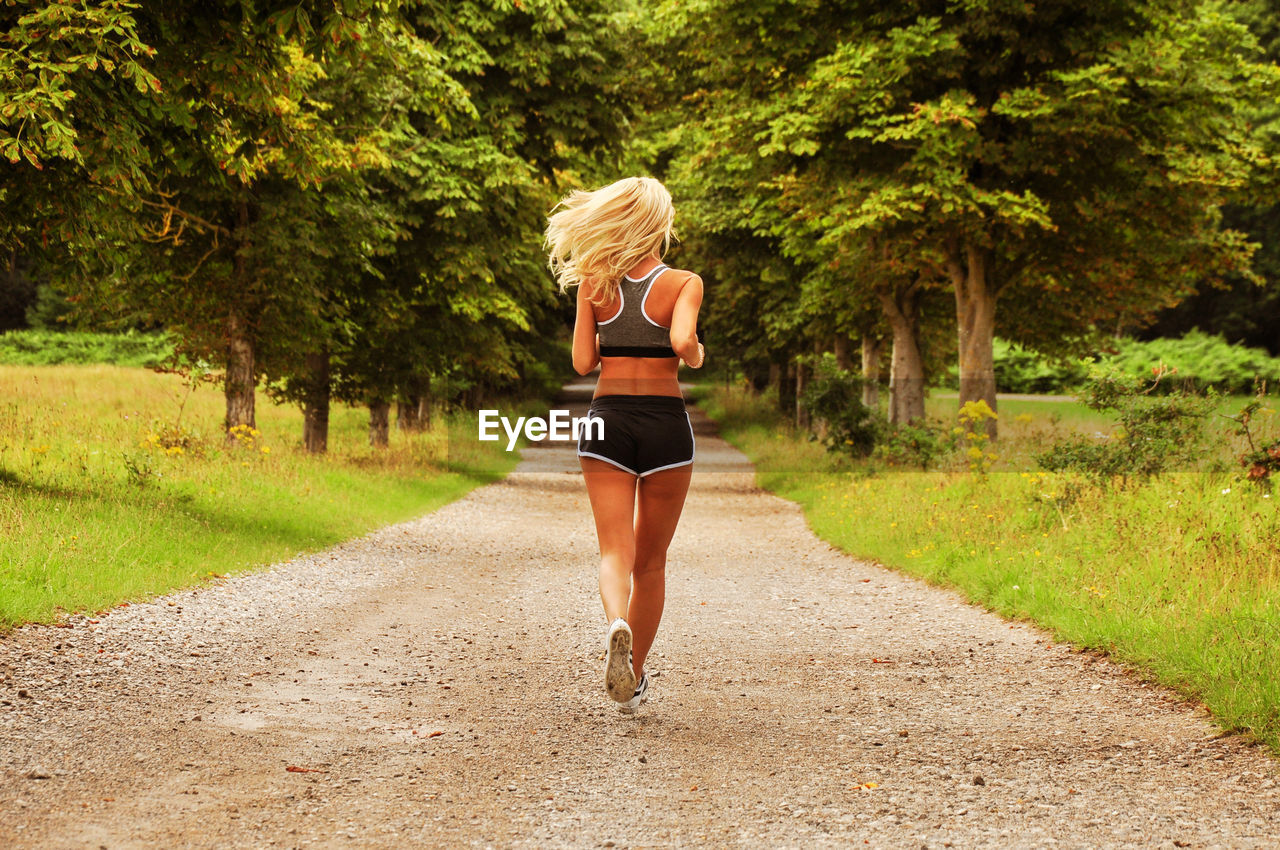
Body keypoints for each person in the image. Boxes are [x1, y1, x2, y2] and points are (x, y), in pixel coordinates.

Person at [544, 176, 704, 714]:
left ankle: (616, 621)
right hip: (665, 424)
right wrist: (695, 353)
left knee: (616, 550)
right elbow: (682, 342)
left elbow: (582, 363)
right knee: (652, 563)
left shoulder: (595, 282)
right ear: (660, 222)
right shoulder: (684, 282)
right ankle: (632, 679)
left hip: (607, 419)